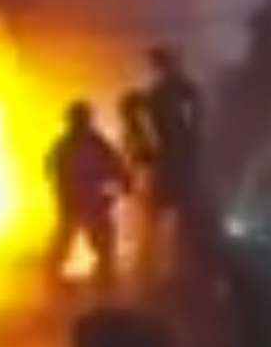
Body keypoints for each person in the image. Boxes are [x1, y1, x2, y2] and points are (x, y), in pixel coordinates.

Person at [134, 44, 214, 291]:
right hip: (174, 162)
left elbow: (195, 118)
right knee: (169, 216)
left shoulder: (173, 92)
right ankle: (158, 268)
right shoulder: (163, 93)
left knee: (171, 217)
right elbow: (148, 128)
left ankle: (171, 268)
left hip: (176, 162)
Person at [46, 101, 132, 293]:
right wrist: (123, 181)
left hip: (89, 199)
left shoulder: (87, 143)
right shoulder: (68, 145)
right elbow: (51, 169)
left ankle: (104, 278)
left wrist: (124, 181)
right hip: (78, 200)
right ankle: (53, 278)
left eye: (82, 119)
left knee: (100, 241)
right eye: (79, 119)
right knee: (67, 240)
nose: (81, 123)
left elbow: (114, 163)